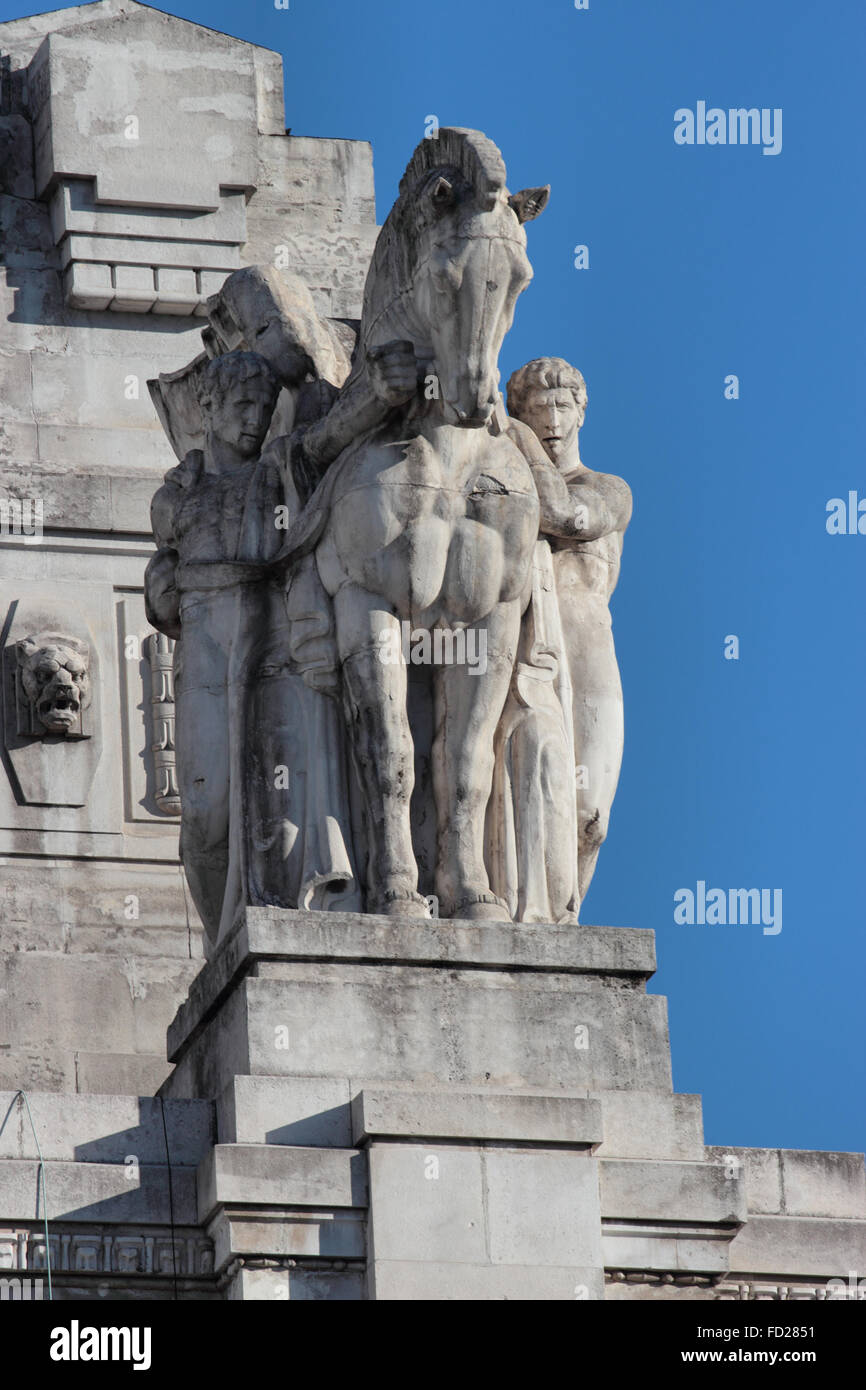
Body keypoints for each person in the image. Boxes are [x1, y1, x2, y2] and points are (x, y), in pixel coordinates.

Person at [505, 357, 632, 905]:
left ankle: (569, 916)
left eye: (560, 406)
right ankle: (541, 912)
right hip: (532, 646)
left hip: (588, 648)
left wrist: (515, 441)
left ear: (581, 410)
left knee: (589, 816)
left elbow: (565, 516)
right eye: (535, 411)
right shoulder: (509, 488)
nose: (550, 420)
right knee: (535, 791)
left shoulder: (609, 488)